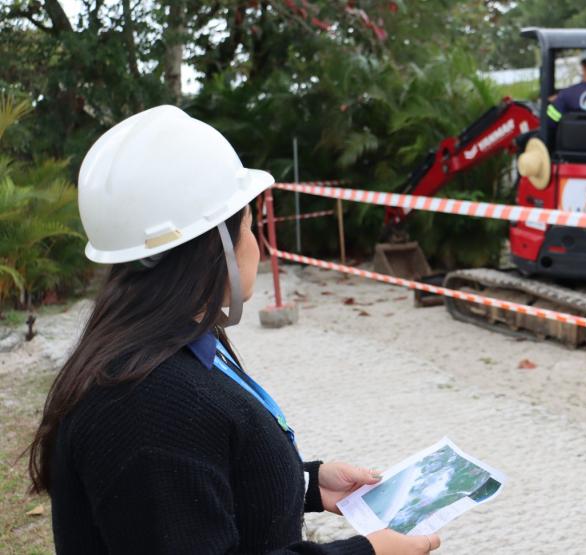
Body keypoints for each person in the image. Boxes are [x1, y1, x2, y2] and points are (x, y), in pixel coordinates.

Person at [27, 105, 441, 555]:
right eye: (248, 226)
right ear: (213, 245)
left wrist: (307, 484)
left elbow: (194, 482)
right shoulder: (146, 404)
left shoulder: (173, 347)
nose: (257, 244)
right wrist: (368, 552)